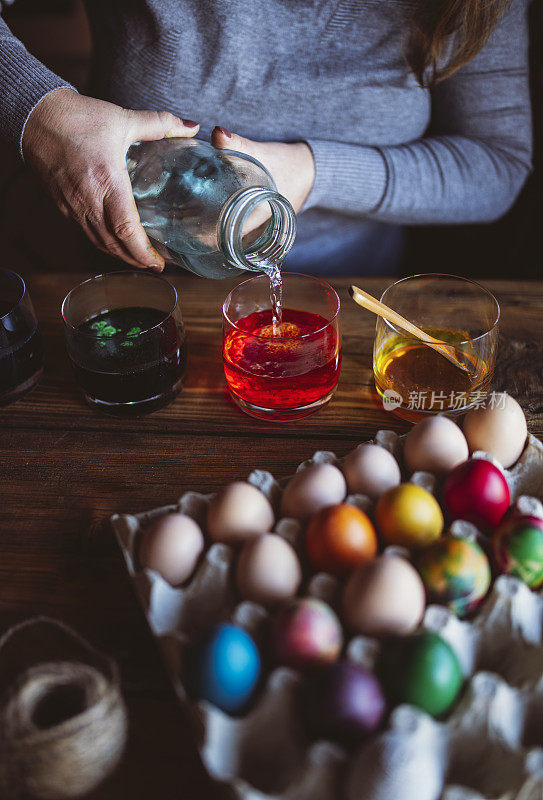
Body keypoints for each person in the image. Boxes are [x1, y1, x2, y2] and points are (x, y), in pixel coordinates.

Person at [0, 0, 533, 276]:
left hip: (360, 290)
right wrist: (40, 112)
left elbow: (498, 160)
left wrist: (313, 172)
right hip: (130, 289)